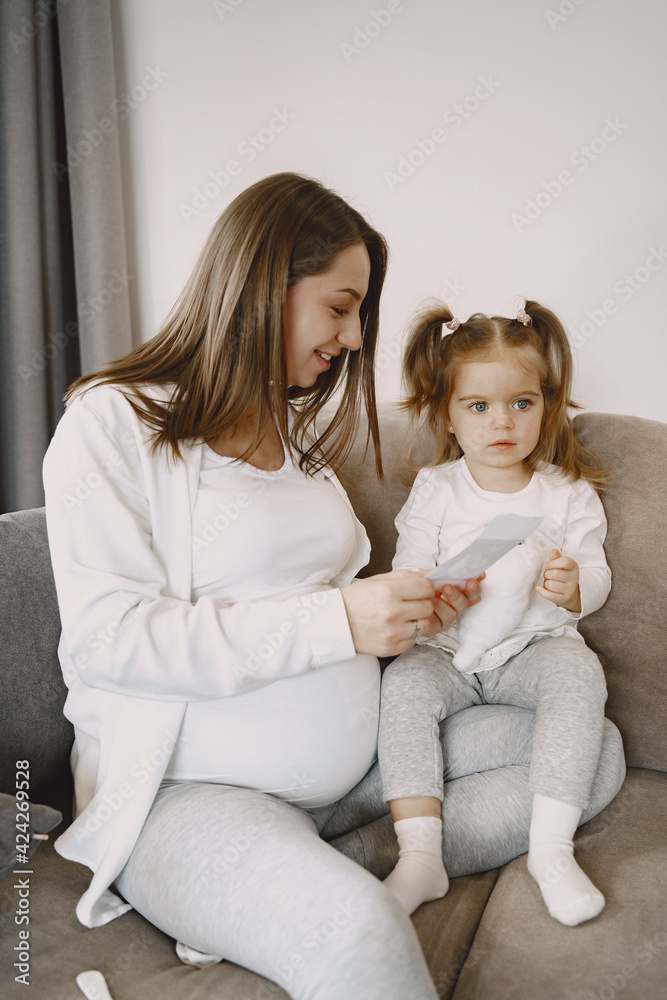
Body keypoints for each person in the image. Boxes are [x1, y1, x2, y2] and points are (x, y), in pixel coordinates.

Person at [42, 175, 624, 1000]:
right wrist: (337, 622)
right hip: (195, 791)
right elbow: (109, 642)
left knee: (592, 752)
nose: (353, 338)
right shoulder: (115, 422)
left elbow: (330, 597)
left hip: (354, 776)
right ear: (259, 287)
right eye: (340, 307)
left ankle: (345, 862)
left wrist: (411, 602)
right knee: (356, 938)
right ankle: (312, 884)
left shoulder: (293, 439)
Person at [378, 299, 619, 928]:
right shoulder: (438, 488)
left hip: (531, 648)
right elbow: (411, 572)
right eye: (478, 406)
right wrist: (441, 586)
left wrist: (573, 588)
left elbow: (596, 575)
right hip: (445, 650)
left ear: (547, 404)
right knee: (401, 688)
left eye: (522, 403)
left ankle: (550, 850)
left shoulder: (566, 493)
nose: (501, 422)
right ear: (450, 416)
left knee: (581, 677)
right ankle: (421, 855)